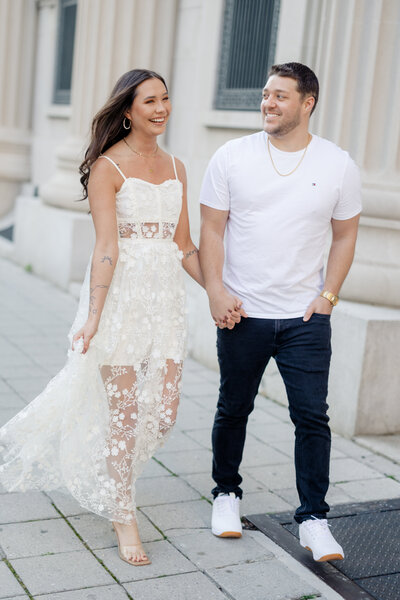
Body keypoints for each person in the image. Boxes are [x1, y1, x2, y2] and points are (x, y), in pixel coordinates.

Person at [0, 69, 204, 566]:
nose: (161, 108)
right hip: (121, 303)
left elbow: (185, 246)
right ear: (128, 110)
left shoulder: (178, 167)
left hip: (167, 304)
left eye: (166, 99)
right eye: (150, 101)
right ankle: (122, 512)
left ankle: (108, 473)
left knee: (165, 412)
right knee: (126, 416)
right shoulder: (107, 168)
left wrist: (220, 293)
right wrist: (93, 316)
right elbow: (106, 247)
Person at [199, 62, 361, 562]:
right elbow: (211, 229)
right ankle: (226, 494)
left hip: (305, 319)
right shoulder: (232, 155)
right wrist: (215, 292)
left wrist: (328, 296)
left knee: (312, 416)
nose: (268, 103)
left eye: (280, 96)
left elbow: (346, 234)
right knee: (234, 408)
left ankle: (313, 519)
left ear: (307, 103)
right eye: (265, 94)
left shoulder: (337, 163)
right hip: (243, 312)